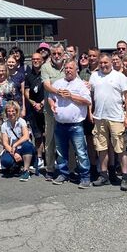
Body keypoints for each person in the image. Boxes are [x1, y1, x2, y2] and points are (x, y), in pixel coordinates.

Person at [90, 53, 127, 190]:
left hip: (116, 118)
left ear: (111, 63)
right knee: (101, 148)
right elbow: (90, 95)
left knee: (121, 148)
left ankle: (124, 178)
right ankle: (104, 175)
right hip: (99, 117)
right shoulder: (94, 76)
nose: (103, 65)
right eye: (101, 63)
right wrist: (90, 112)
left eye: (106, 62)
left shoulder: (119, 76)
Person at [48, 60, 92, 188]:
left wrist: (71, 96)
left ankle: (85, 177)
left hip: (75, 125)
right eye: (66, 68)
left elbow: (87, 101)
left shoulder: (81, 84)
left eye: (70, 68)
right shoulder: (58, 83)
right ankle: (63, 174)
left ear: (76, 70)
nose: (68, 70)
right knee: (61, 152)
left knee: (81, 153)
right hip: (60, 124)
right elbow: (51, 97)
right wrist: (52, 104)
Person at [40, 44, 65, 179]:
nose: (56, 56)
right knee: (50, 140)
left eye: (59, 53)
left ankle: (68, 169)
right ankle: (50, 168)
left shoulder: (68, 65)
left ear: (63, 54)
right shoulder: (45, 67)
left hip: (66, 111)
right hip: (50, 111)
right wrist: (59, 92)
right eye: (54, 53)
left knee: (66, 141)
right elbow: (46, 85)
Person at [0, 101, 35, 181]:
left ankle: (26, 170)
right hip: (12, 150)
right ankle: (16, 166)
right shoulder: (4, 125)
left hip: (23, 148)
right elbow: (5, 143)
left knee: (27, 145)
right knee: (5, 161)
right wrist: (14, 152)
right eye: (9, 111)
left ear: (17, 111)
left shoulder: (21, 121)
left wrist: (15, 145)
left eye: (13, 111)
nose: (11, 113)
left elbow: (26, 136)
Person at [23, 50, 45, 169]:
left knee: (49, 134)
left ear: (42, 61)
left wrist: (42, 103)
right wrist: (33, 103)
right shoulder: (29, 75)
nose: (35, 61)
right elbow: (26, 91)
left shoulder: (46, 73)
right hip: (34, 109)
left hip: (46, 107)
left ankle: (51, 157)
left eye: (38, 59)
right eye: (33, 59)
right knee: (37, 135)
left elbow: (49, 89)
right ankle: (39, 157)